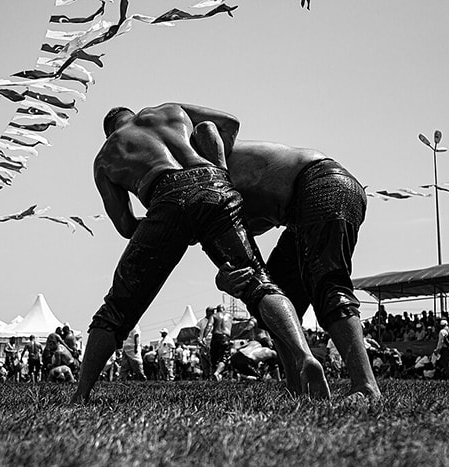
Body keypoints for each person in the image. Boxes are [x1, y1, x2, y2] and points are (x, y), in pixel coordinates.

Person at [71, 103, 329, 402]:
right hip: (214, 181)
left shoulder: (105, 156)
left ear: (109, 131)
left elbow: (126, 225)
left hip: (163, 193)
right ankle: (303, 356)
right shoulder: (168, 110)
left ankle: (81, 394)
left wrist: (164, 225)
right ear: (133, 114)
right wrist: (217, 166)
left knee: (118, 307)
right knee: (258, 280)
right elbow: (228, 123)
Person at [208, 137, 380, 399]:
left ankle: (367, 388)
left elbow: (219, 125)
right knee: (277, 293)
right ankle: (297, 384)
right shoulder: (220, 192)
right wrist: (226, 276)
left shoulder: (204, 167)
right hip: (309, 201)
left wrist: (225, 278)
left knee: (328, 283)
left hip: (322, 186)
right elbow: (247, 258)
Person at [202, 304, 234, 381]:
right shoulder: (230, 315)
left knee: (214, 357)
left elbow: (209, 326)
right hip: (225, 338)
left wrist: (204, 336)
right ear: (224, 309)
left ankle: (213, 376)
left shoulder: (214, 315)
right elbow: (242, 318)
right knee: (224, 358)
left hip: (215, 337)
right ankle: (217, 373)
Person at [196, 306, 215, 379]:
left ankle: (212, 378)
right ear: (207, 312)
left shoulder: (215, 321)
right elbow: (197, 334)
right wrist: (200, 342)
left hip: (212, 344)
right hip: (203, 345)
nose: (213, 313)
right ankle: (207, 377)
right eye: (212, 311)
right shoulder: (201, 322)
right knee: (205, 364)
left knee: (212, 363)